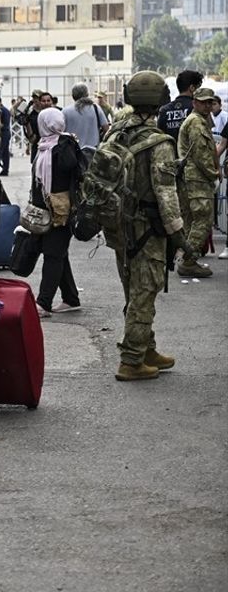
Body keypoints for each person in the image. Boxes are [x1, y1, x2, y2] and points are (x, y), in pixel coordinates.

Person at [102, 72, 190, 381]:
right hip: (147, 230)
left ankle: (146, 348)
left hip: (118, 228)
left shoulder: (114, 133)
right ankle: (131, 361)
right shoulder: (159, 142)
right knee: (144, 292)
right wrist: (179, 236)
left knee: (134, 289)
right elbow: (166, 193)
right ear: (159, 100)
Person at [30, 108, 85, 317]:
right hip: (45, 209)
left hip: (61, 210)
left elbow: (70, 167)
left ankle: (43, 303)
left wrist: (66, 143)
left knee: (53, 254)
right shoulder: (43, 146)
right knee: (58, 253)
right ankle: (71, 298)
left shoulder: (63, 145)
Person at [176, 88, 220, 278]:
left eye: (210, 102)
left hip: (191, 179)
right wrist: (214, 174)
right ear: (195, 102)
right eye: (203, 102)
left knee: (191, 221)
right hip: (198, 180)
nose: (207, 105)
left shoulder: (200, 120)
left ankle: (186, 258)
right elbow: (201, 155)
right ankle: (188, 261)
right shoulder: (196, 122)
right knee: (203, 221)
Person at [63, 83, 110, 165]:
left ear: (73, 96)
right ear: (87, 94)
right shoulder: (95, 108)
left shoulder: (65, 111)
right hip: (93, 153)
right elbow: (106, 129)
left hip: (72, 153)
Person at [158, 69, 203, 139]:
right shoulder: (198, 107)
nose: (199, 91)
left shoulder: (164, 110)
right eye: (198, 88)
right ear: (192, 88)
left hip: (169, 149)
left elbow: (159, 135)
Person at [0, 95, 12, 175]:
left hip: (2, 133)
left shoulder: (1, 111)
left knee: (0, 152)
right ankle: (5, 169)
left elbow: (1, 124)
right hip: (6, 132)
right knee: (5, 152)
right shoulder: (6, 110)